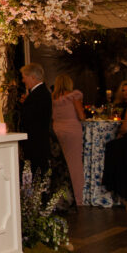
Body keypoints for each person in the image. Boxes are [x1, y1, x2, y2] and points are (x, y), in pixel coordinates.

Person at [52, 74, 86, 205]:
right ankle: (77, 197)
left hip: (57, 130)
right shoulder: (73, 97)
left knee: (61, 163)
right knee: (74, 164)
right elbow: (81, 115)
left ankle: (61, 196)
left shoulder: (53, 98)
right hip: (72, 130)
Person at [18, 63, 51, 177]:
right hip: (37, 143)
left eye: (24, 77)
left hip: (36, 143)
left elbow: (31, 120)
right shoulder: (40, 93)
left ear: (32, 77)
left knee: (37, 175)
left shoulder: (39, 94)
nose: (23, 80)